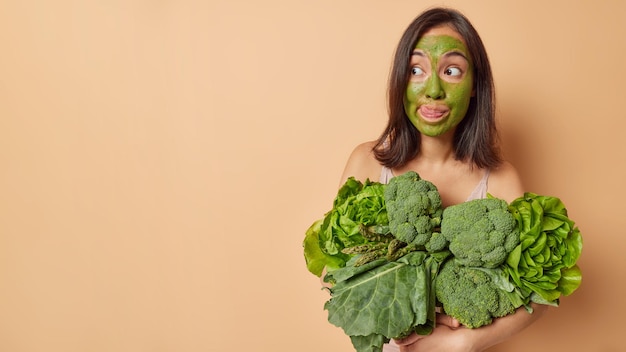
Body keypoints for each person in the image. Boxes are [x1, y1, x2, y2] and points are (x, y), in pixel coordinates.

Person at [337, 7, 547, 352]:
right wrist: (421, 321)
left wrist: (461, 341)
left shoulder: (501, 180)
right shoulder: (367, 163)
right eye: (416, 70)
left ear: (475, 85)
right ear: (400, 82)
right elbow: (332, 273)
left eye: (451, 70)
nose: (433, 89)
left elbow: (539, 291)